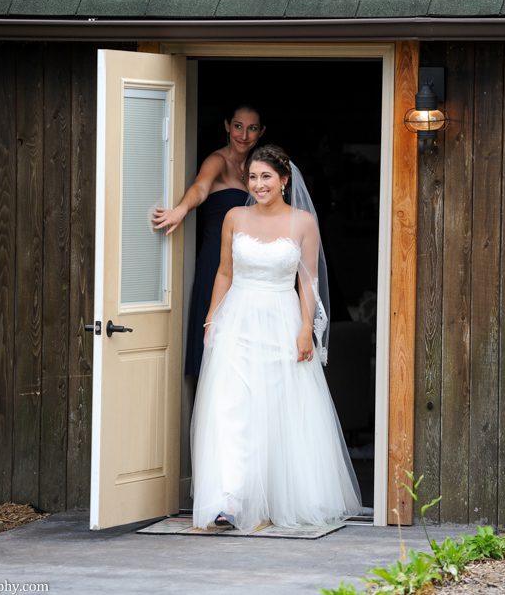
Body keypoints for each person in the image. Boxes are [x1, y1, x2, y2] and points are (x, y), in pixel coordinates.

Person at [190, 144, 362, 532]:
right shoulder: (234, 216)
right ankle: (230, 499)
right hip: (237, 320)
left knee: (279, 407)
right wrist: (210, 319)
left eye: (266, 176)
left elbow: (308, 281)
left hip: (282, 321)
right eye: (252, 176)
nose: (258, 184)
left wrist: (306, 328)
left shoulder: (302, 222)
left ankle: (278, 495)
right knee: (233, 407)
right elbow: (223, 272)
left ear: (284, 180)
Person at [152, 104, 265, 377]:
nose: (243, 135)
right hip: (217, 261)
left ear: (261, 133)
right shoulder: (218, 161)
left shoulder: (257, 169)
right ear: (227, 126)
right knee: (216, 336)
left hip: (250, 264)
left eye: (251, 129)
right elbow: (200, 187)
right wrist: (180, 210)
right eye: (238, 126)